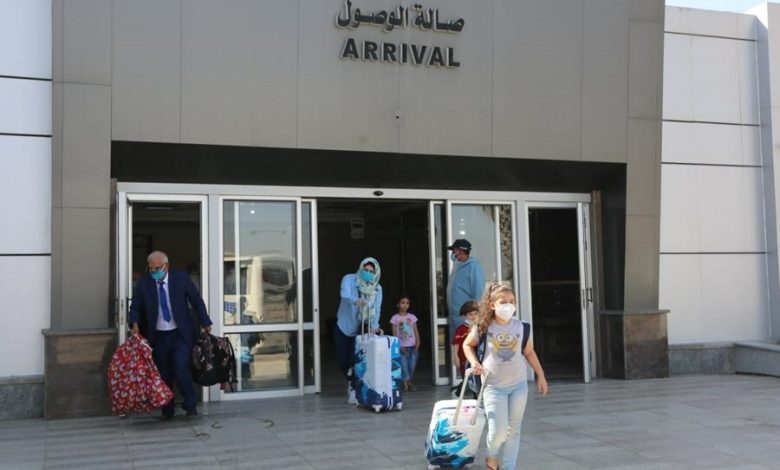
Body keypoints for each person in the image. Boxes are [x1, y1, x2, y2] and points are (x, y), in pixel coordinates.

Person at [463, 283, 548, 470]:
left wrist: (540, 375)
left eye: (512, 301)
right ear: (492, 305)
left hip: (519, 385)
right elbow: (467, 345)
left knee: (514, 430)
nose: (508, 305)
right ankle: (491, 456)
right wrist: (475, 362)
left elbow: (529, 352)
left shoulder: (521, 327)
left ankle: (509, 467)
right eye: (503, 302)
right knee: (498, 431)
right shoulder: (483, 327)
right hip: (493, 387)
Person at [130, 251, 212, 419]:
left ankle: (190, 404)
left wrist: (205, 322)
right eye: (151, 268)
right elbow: (136, 306)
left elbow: (196, 301)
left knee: (181, 367)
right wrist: (134, 323)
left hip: (180, 333)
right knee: (163, 372)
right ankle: (167, 409)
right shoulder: (145, 284)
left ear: (166, 266)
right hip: (159, 336)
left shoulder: (181, 279)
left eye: (157, 268)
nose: (154, 271)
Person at [334, 257, 383, 405]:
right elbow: (344, 295)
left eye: (371, 271)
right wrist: (357, 301)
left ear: (375, 273)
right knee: (342, 360)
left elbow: (377, 309)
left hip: (360, 328)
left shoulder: (377, 289)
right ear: (361, 269)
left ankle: (353, 387)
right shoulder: (349, 279)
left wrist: (375, 326)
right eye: (365, 270)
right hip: (343, 326)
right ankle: (350, 378)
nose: (368, 273)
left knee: (355, 360)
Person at [446, 239, 486, 337]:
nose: (453, 254)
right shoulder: (458, 265)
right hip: (455, 315)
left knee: (466, 342)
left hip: (466, 315)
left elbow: (479, 291)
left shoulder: (473, 266)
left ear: (460, 251)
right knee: (457, 343)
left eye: (454, 251)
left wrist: (476, 313)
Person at [389, 294, 420, 392]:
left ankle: (408, 381)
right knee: (404, 366)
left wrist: (418, 341)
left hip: (412, 346)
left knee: (412, 366)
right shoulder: (395, 318)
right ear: (398, 304)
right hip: (402, 346)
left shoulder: (412, 317)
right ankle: (406, 384)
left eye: (407, 303)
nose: (405, 305)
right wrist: (398, 345)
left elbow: (415, 329)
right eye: (402, 303)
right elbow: (394, 333)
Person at [450, 299, 479, 397]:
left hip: (476, 359)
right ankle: (458, 392)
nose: (473, 317)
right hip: (464, 360)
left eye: (475, 314)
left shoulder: (480, 328)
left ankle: (476, 399)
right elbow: (456, 344)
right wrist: (456, 358)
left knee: (476, 380)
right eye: (470, 314)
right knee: (467, 378)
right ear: (464, 316)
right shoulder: (461, 329)